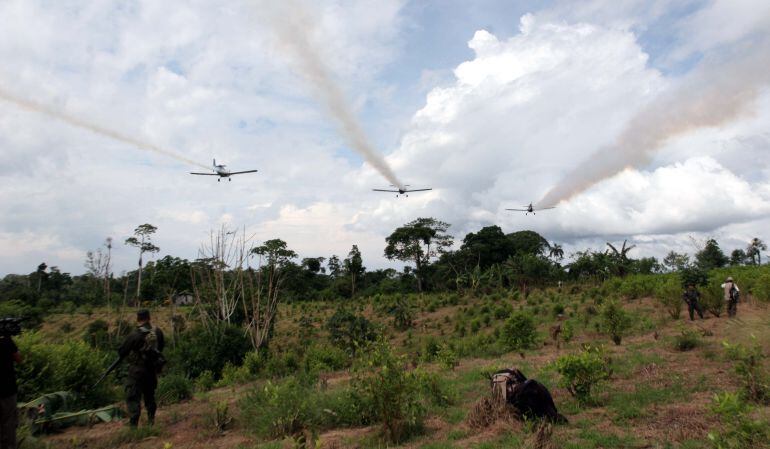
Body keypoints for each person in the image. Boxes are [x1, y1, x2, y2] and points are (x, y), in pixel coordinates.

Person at [118, 309, 165, 427]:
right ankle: (151, 421)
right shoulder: (157, 332)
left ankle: (133, 426)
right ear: (149, 318)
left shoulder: (135, 334)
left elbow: (122, 351)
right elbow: (161, 347)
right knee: (150, 396)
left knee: (133, 397)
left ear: (138, 319)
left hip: (137, 372)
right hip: (151, 371)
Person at [0, 333, 21, 449]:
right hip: (7, 390)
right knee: (9, 423)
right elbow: (19, 359)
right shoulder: (7, 341)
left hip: (8, 390)